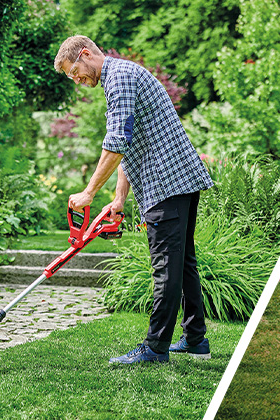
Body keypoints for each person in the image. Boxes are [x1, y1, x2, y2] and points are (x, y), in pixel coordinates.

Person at [53, 35, 215, 364]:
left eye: (75, 73)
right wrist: (118, 198)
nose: (78, 81)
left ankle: (155, 348)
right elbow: (129, 144)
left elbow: (116, 141)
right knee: (183, 265)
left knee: (166, 268)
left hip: (166, 182)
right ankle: (196, 339)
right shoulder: (122, 77)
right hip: (177, 180)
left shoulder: (120, 79)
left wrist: (88, 193)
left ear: (84, 54)